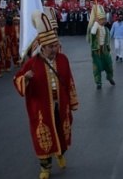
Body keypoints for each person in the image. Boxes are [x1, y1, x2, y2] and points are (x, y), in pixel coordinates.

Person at [13, 10, 79, 179]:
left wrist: (72, 101)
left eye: (56, 45)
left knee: (62, 129)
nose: (54, 49)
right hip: (41, 106)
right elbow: (17, 79)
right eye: (51, 47)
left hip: (61, 103)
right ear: (43, 47)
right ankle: (45, 167)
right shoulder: (32, 63)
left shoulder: (63, 59)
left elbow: (69, 80)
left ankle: (60, 153)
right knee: (43, 133)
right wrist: (25, 79)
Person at [87, 4, 115, 90]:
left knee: (109, 65)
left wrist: (109, 49)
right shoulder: (94, 27)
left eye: (104, 19)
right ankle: (98, 83)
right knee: (97, 67)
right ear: (97, 20)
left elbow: (108, 40)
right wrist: (95, 24)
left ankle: (110, 77)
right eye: (102, 19)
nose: (104, 21)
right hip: (96, 50)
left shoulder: (106, 29)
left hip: (105, 50)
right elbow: (92, 33)